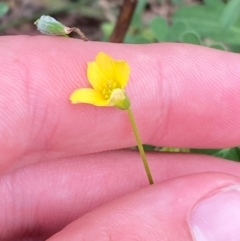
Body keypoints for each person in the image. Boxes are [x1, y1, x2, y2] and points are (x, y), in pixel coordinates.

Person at [1, 35, 240, 241]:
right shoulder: (108, 93)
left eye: (116, 90)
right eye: (112, 92)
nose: (114, 92)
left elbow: (109, 69)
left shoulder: (120, 81)